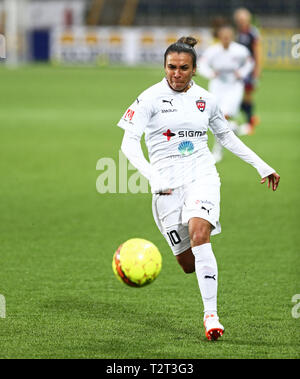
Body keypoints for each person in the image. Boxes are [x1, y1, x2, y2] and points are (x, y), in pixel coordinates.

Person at [117, 36, 280, 341]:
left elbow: (227, 137)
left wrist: (261, 165)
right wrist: (153, 176)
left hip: (202, 175)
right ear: (164, 66)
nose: (176, 74)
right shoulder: (149, 98)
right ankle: (201, 275)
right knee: (187, 263)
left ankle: (211, 316)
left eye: (183, 68)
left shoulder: (207, 99)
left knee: (200, 233)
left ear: (194, 70)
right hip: (166, 186)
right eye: (171, 67)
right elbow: (128, 143)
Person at [198, 25, 254, 162]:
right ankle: (235, 129)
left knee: (223, 115)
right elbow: (201, 65)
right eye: (223, 37)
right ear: (219, 37)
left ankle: (217, 151)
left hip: (234, 87)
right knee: (216, 119)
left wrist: (241, 73)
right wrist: (210, 73)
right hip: (217, 86)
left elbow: (250, 62)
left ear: (232, 37)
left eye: (228, 37)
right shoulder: (212, 51)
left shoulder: (240, 50)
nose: (226, 40)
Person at [234, 8, 262, 134]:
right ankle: (250, 119)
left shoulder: (252, 33)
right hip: (238, 70)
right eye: (239, 20)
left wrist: (256, 71)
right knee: (237, 96)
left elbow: (257, 53)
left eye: (243, 19)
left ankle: (250, 122)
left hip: (248, 70)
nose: (241, 22)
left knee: (247, 96)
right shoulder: (237, 33)